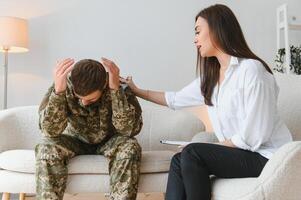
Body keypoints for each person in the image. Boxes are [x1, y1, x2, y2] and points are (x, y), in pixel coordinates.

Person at [116, 4, 292, 200]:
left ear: (217, 29)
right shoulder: (211, 79)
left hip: (265, 156)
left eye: (198, 31)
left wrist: (213, 146)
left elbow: (254, 136)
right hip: (241, 153)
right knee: (178, 159)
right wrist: (137, 90)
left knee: (192, 153)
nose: (195, 39)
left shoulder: (252, 70)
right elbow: (175, 99)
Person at [35, 58, 143, 200]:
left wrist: (116, 91)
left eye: (91, 100)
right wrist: (59, 92)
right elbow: (49, 131)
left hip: (110, 141)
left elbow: (130, 130)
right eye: (79, 98)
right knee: (46, 147)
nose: (84, 103)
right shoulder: (63, 85)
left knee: (130, 146)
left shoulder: (117, 85)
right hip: (74, 140)